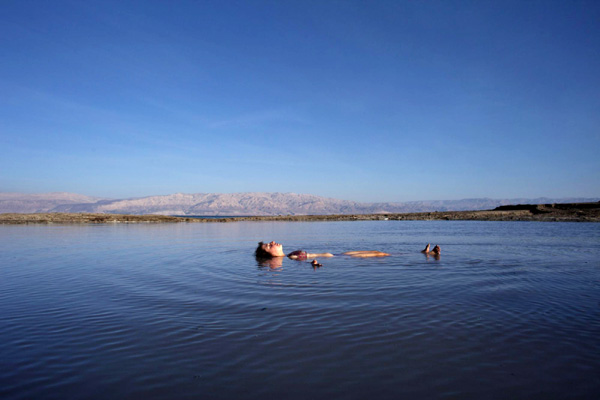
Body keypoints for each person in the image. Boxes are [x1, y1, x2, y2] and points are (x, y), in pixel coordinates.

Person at [255, 241, 389, 260]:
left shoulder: (289, 255)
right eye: (268, 246)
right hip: (337, 258)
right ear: (269, 254)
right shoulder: (291, 258)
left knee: (376, 251)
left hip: (338, 255)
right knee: (380, 254)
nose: (272, 242)